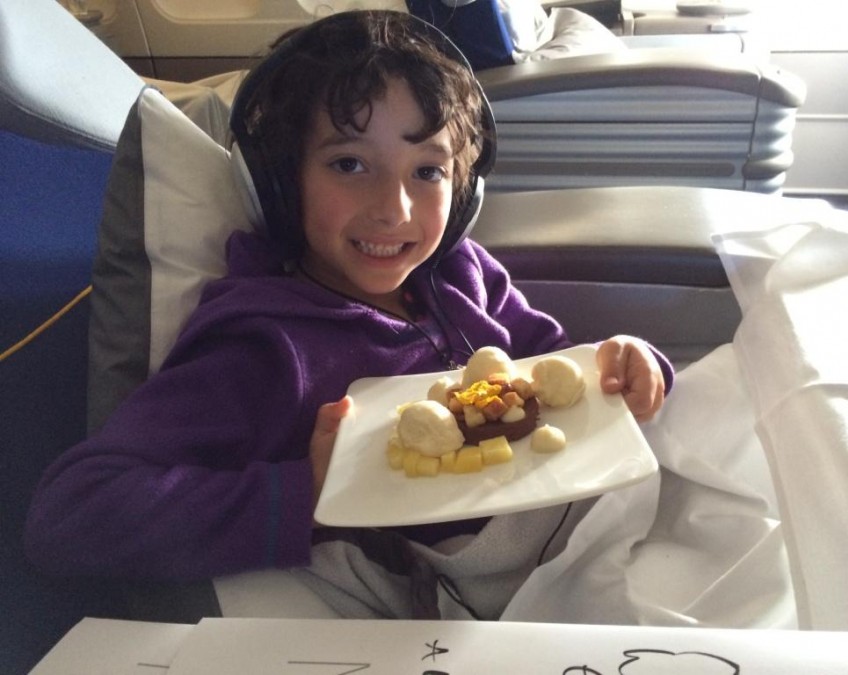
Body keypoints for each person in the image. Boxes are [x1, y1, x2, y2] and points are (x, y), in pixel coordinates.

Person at [25, 10, 671, 610]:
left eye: (427, 171)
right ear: (280, 183)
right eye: (350, 163)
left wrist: (627, 365)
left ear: (464, 187)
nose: (394, 208)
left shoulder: (463, 275)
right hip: (457, 603)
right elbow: (72, 514)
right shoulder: (264, 344)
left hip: (573, 544)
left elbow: (561, 362)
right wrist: (303, 491)